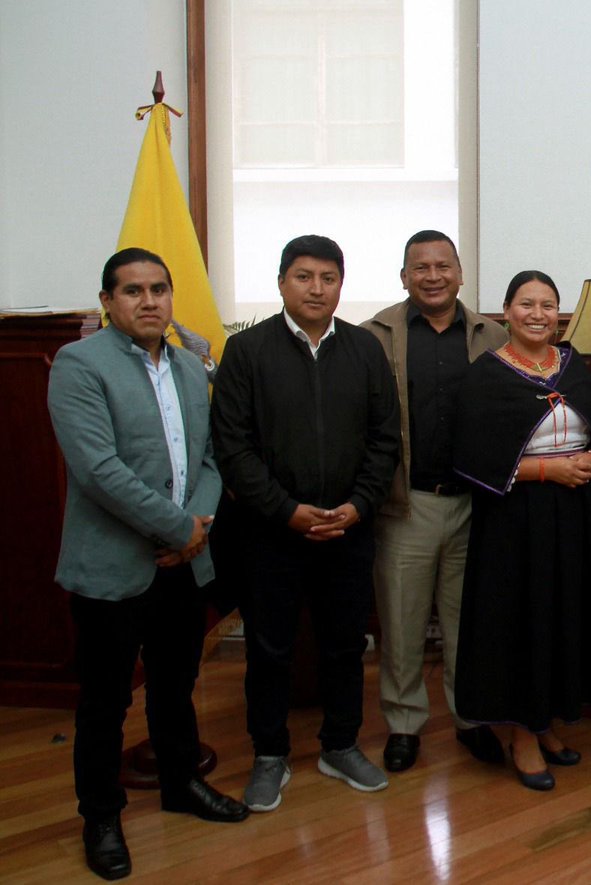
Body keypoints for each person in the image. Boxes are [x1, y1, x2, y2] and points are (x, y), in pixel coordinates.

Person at [48, 248, 248, 880]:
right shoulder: (78, 365)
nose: (149, 300)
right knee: (106, 700)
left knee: (175, 685)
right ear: (107, 301)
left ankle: (180, 782)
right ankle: (101, 817)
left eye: (159, 289)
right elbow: (98, 471)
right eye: (132, 291)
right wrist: (179, 528)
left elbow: (211, 460)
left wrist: (198, 530)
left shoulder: (190, 368)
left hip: (183, 565)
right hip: (114, 566)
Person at [211, 235, 402, 811]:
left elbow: (384, 438)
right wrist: (286, 510)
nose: (316, 288)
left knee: (346, 645)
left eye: (328, 278)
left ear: (341, 285)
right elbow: (233, 447)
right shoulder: (246, 351)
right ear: (280, 283)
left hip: (347, 527)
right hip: (271, 533)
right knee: (270, 648)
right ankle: (269, 755)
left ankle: (339, 745)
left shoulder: (365, 350)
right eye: (303, 277)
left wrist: (359, 504)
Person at [453, 270, 591, 791]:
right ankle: (519, 735)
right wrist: (549, 470)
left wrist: (590, 458)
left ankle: (545, 723)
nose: (538, 314)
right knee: (520, 621)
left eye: (549, 305)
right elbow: (471, 456)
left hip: (573, 515)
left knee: (559, 617)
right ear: (506, 312)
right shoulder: (486, 374)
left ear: (560, 314)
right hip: (513, 520)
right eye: (527, 304)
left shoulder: (572, 366)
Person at [362, 231, 508, 773]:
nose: (432, 275)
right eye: (420, 267)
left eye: (442, 265)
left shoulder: (493, 335)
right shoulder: (375, 336)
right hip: (407, 504)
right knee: (400, 625)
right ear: (404, 277)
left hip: (475, 503)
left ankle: (471, 719)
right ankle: (403, 725)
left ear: (460, 273)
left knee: (467, 624)